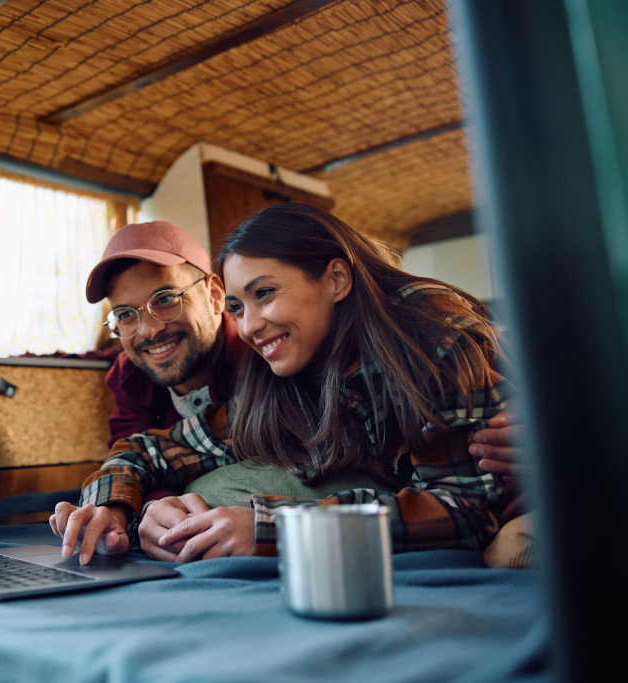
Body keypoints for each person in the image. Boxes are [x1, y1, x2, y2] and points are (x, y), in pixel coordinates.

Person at [52, 210, 518, 564]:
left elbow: (464, 507)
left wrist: (275, 528)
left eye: (265, 293)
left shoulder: (429, 337)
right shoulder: (280, 372)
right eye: (239, 306)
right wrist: (112, 508)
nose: (250, 326)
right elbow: (150, 449)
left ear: (336, 279)